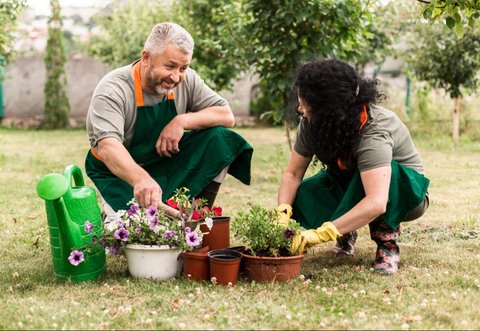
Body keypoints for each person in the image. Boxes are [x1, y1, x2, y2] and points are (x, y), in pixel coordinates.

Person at [277, 59, 430, 275]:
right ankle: (346, 232)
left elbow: (376, 201)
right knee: (303, 196)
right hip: (353, 183)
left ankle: (388, 247)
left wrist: (324, 233)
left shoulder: (374, 131)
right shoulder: (313, 122)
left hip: (405, 193)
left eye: (304, 102)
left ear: (327, 109)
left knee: (380, 179)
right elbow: (292, 174)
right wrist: (282, 212)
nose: (299, 108)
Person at [85, 22, 253, 217]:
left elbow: (226, 115)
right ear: (146, 57)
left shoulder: (186, 79)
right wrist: (141, 179)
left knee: (220, 139)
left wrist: (181, 121)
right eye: (170, 66)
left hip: (163, 163)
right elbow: (108, 147)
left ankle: (197, 217)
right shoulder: (112, 90)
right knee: (134, 234)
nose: (176, 77)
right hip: (120, 174)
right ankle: (112, 213)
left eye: (183, 68)